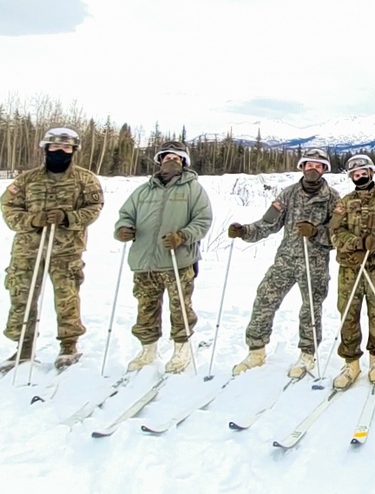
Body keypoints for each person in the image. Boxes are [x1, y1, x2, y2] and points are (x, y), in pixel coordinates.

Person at [229, 148, 340, 379]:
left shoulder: (332, 198)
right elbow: (267, 224)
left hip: (315, 262)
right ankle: (256, 351)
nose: (313, 169)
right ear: (302, 166)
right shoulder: (288, 195)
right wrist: (244, 231)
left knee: (311, 308)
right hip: (286, 260)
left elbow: (337, 235)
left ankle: (308, 353)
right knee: (264, 297)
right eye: (309, 164)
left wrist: (316, 232)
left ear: (324, 170)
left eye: (318, 166)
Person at [0, 127, 104, 371]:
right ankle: (23, 347)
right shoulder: (27, 179)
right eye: (55, 147)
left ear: (73, 151)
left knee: (66, 298)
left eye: (66, 148)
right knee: (21, 297)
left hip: (66, 250)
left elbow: (94, 207)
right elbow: (8, 208)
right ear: (46, 149)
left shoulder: (85, 179)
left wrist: (68, 217)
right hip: (28, 250)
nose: (60, 152)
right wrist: (32, 221)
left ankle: (68, 346)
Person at [115, 141, 213, 374]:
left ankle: (181, 348)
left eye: (177, 158)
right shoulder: (143, 190)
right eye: (167, 157)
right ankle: (148, 349)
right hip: (145, 260)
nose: (171, 161)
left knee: (180, 306)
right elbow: (125, 214)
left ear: (184, 162)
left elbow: (203, 220)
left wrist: (183, 236)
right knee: (146, 306)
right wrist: (123, 228)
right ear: (159, 161)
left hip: (177, 260)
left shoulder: (193, 189)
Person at [329, 153, 375, 390]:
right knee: (348, 312)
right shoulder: (345, 202)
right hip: (349, 267)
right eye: (355, 174)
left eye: (363, 173)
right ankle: (351, 362)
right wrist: (357, 243)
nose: (359, 177)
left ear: (371, 172)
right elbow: (335, 232)